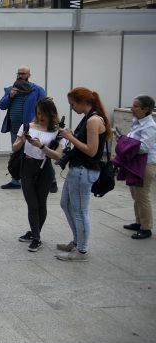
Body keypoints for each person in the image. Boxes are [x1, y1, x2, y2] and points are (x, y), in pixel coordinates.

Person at [55, 87, 109, 261]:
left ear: (83, 102)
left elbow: (91, 151)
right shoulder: (88, 117)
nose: (71, 108)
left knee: (80, 211)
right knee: (66, 204)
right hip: (77, 169)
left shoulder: (93, 120)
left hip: (83, 171)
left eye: (72, 104)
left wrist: (70, 137)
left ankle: (82, 250)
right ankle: (78, 241)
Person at [12, 97, 67, 252]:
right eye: (38, 113)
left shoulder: (58, 131)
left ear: (51, 114)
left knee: (41, 203)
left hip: (45, 168)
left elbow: (57, 156)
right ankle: (35, 236)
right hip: (27, 166)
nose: (40, 117)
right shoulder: (27, 126)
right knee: (32, 204)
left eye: (43, 114)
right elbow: (15, 147)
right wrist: (22, 141)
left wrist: (41, 146)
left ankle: (36, 235)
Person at [0, 66, 47, 189]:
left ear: (29, 75)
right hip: (15, 129)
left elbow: (45, 108)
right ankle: (15, 180)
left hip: (31, 129)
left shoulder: (37, 90)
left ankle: (34, 180)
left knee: (31, 154)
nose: (20, 76)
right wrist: (10, 95)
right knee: (16, 154)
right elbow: (2, 106)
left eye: (23, 73)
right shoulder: (11, 89)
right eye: (19, 73)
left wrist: (41, 125)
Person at [119, 95, 156, 240]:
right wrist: (125, 141)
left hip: (146, 164)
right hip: (135, 162)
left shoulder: (150, 126)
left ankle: (146, 228)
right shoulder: (138, 121)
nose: (131, 108)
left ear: (145, 109)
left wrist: (125, 144)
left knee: (142, 196)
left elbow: (144, 147)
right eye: (132, 105)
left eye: (135, 106)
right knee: (135, 194)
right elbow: (134, 141)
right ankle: (138, 221)